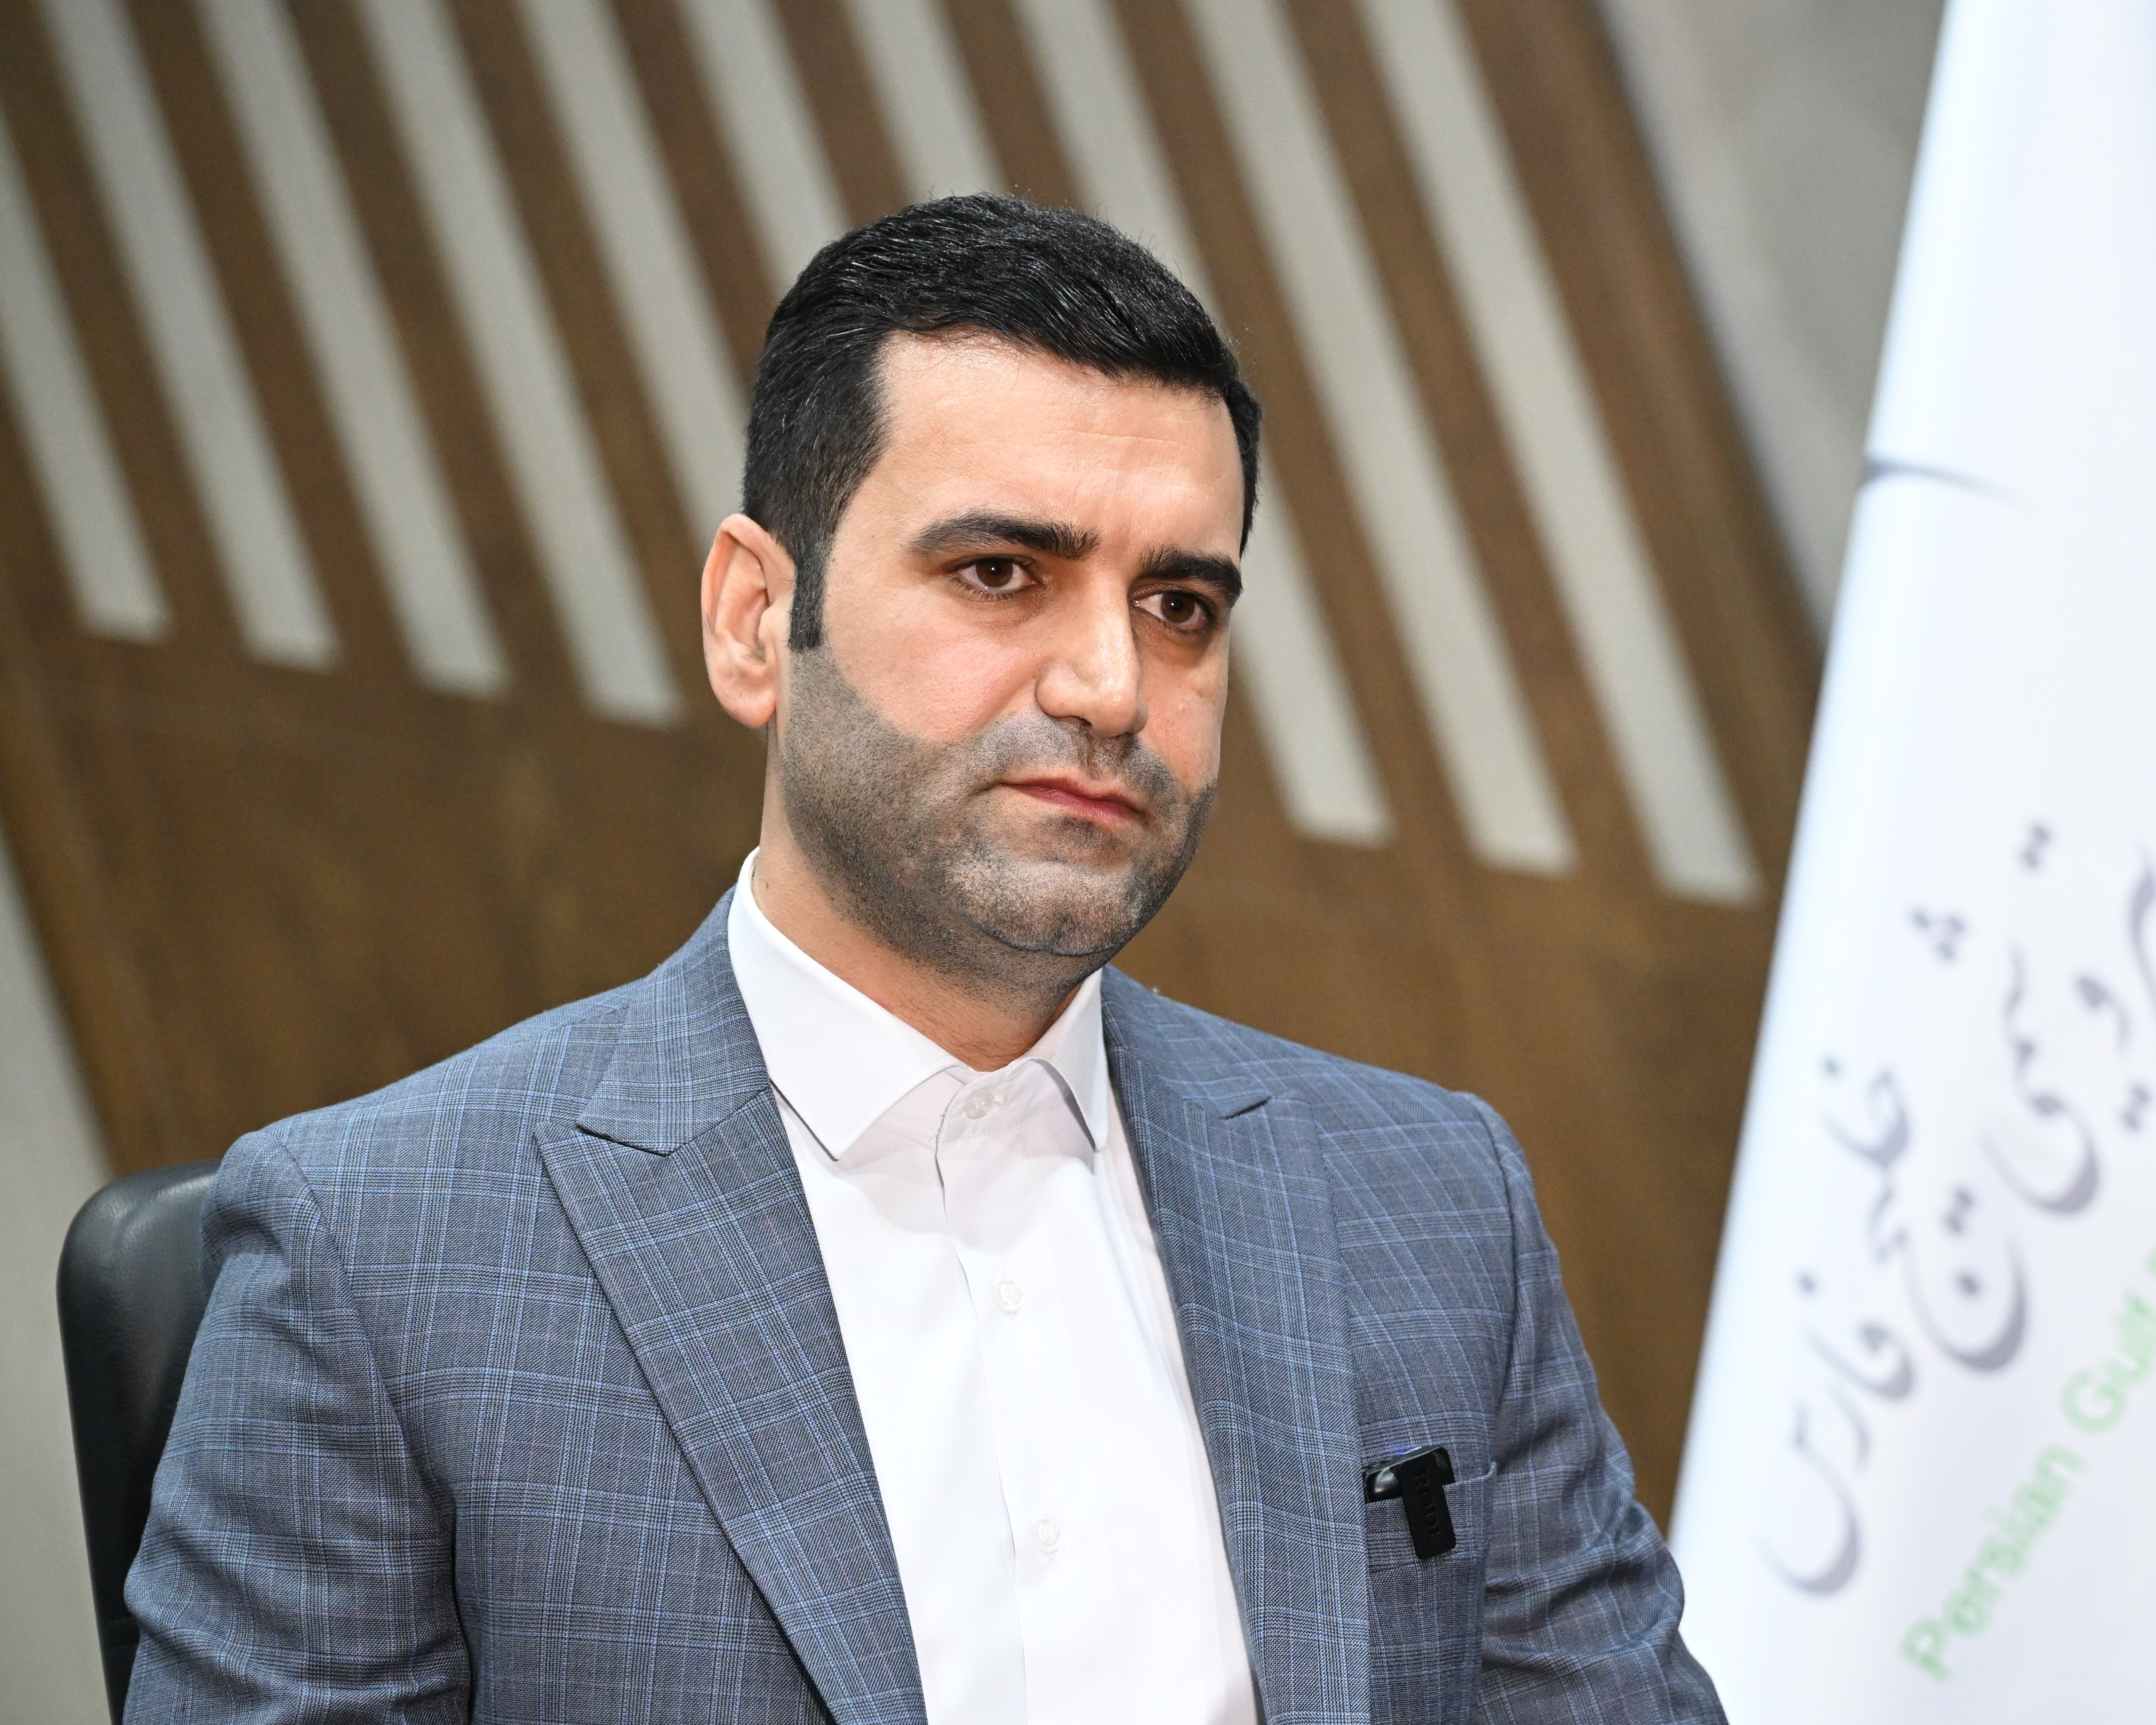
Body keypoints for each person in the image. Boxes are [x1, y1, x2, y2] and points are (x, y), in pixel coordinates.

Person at [125, 195, 1723, 1724]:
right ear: (756, 619)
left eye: (1178, 604)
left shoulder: (1432, 1205)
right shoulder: (382, 1255)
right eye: (999, 574)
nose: (1109, 685)